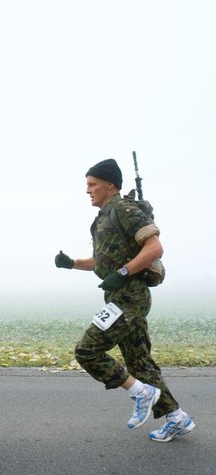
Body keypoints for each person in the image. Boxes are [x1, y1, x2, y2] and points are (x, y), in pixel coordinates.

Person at [54, 158, 195, 443]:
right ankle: (177, 418)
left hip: (130, 297)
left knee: (87, 351)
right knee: (140, 363)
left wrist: (123, 272)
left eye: (92, 184)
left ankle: (141, 393)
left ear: (110, 185)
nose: (88, 190)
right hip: (120, 295)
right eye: (87, 185)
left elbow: (154, 247)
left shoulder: (125, 209)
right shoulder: (104, 217)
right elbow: (103, 262)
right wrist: (71, 263)